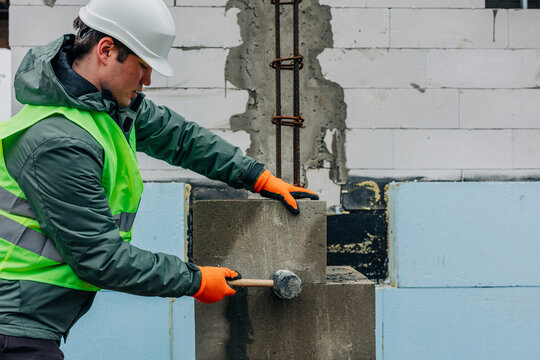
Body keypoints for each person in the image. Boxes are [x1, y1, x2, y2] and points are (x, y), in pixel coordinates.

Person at [0, 0, 319, 358]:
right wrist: (194, 280)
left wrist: (256, 177)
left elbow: (179, 137)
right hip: (13, 324)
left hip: (29, 319)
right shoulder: (58, 142)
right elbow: (101, 259)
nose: (148, 79)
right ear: (106, 50)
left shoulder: (104, 108)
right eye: (143, 65)